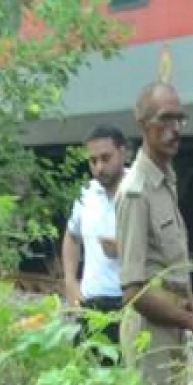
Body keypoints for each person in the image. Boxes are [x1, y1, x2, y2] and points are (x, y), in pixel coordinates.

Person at [114, 82, 193, 385]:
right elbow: (133, 291)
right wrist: (192, 323)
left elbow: (172, 271)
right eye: (165, 119)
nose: (175, 129)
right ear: (142, 125)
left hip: (170, 330)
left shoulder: (166, 183)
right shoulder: (136, 192)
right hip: (149, 337)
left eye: (180, 120)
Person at [60, 123, 129, 352]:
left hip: (130, 304)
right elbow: (71, 236)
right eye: (93, 161)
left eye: (106, 158)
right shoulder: (86, 194)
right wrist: (70, 281)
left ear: (123, 152)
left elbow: (166, 249)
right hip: (91, 306)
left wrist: (126, 249)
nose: (99, 167)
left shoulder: (139, 193)